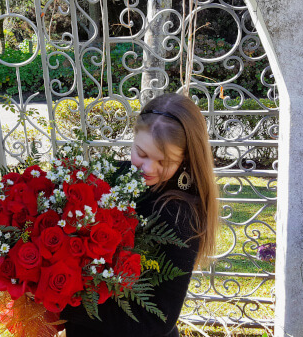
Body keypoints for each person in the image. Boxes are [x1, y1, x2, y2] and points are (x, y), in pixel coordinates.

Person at [59, 93, 219, 337]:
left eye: (164, 161)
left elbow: (157, 318)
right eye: (141, 153)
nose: (148, 168)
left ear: (185, 158)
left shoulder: (180, 213)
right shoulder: (111, 176)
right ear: (133, 138)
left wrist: (62, 304)